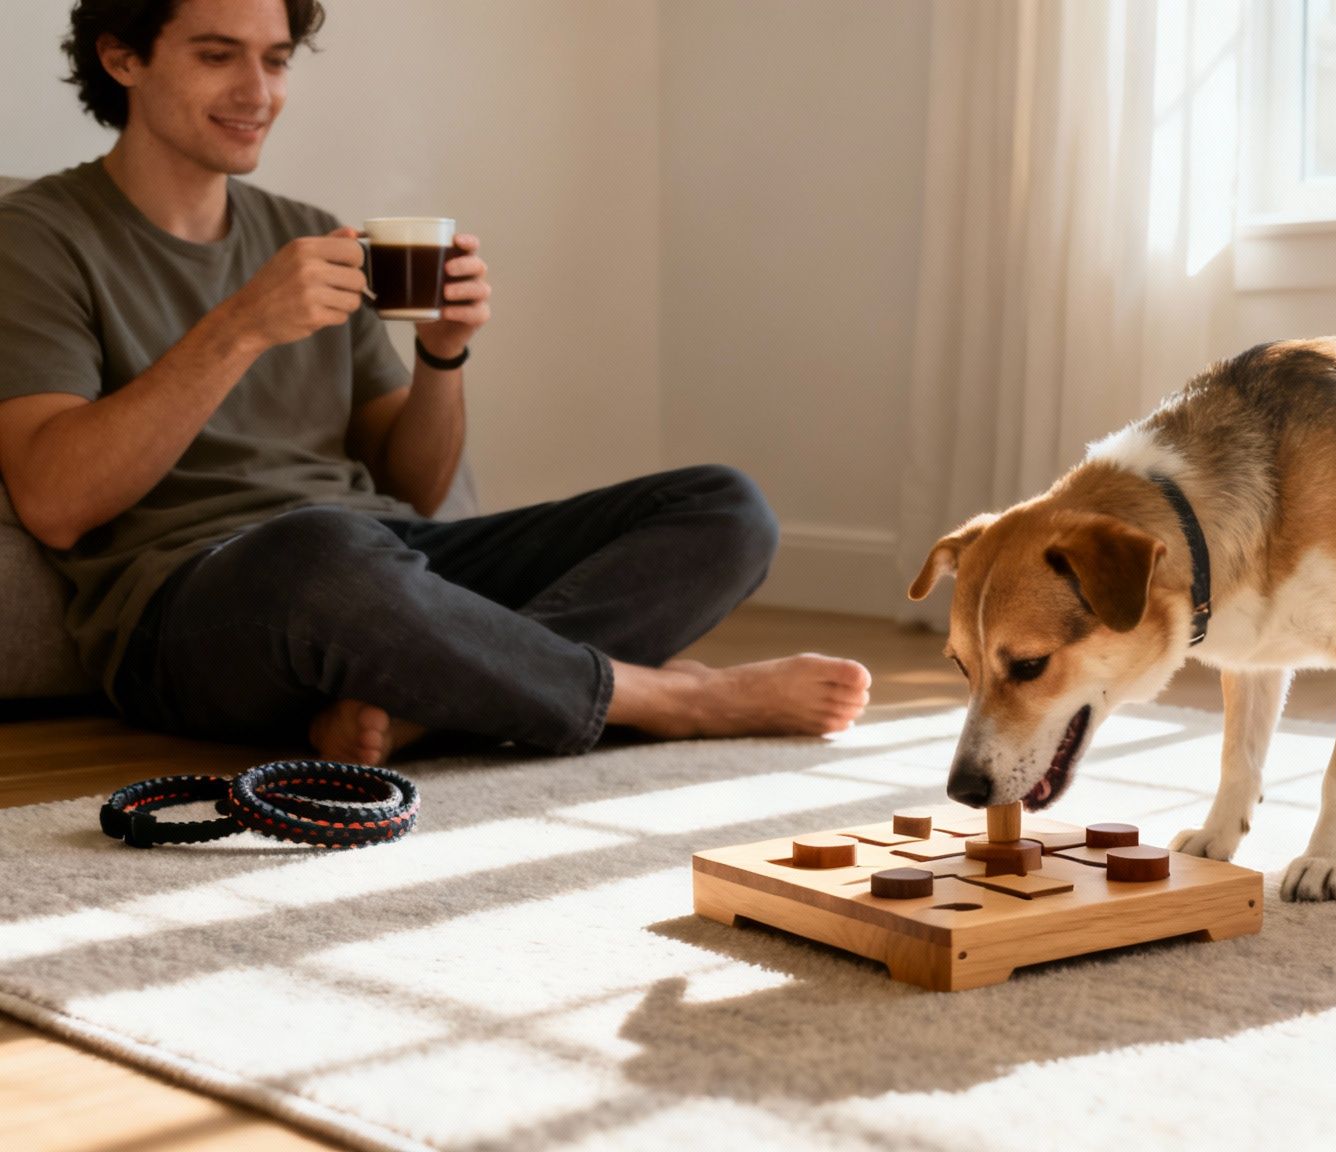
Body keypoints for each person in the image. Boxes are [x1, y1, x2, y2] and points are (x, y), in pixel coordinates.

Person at [0, 0, 871, 765]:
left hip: (386, 571)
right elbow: (56, 499)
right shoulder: (38, 237)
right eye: (217, 54)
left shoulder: (307, 234)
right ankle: (668, 700)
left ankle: (429, 704)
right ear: (124, 58)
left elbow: (412, 489)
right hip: (195, 607)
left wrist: (443, 354)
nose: (258, 93)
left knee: (724, 507)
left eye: (275, 59)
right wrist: (242, 325)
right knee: (326, 552)